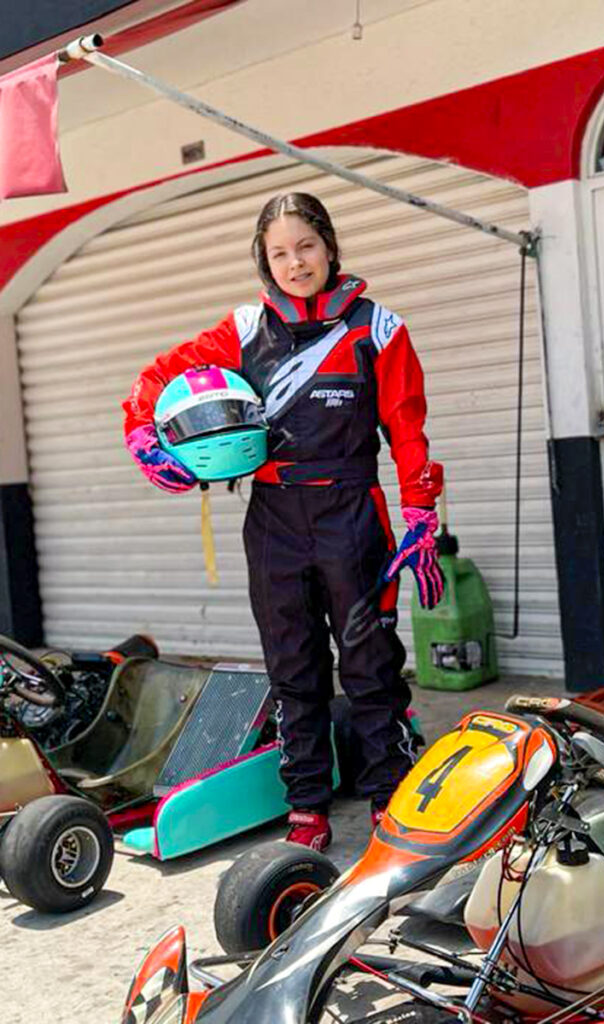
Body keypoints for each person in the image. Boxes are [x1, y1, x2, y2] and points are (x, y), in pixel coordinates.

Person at [123, 192, 444, 850]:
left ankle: (389, 796)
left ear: (329, 247)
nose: (295, 263)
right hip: (272, 518)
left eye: (305, 246)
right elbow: (155, 379)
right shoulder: (243, 329)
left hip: (354, 514)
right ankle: (307, 806)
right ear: (264, 261)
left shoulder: (378, 328)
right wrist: (145, 442)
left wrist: (419, 509)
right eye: (279, 253)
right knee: (291, 667)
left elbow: (407, 428)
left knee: (369, 662)